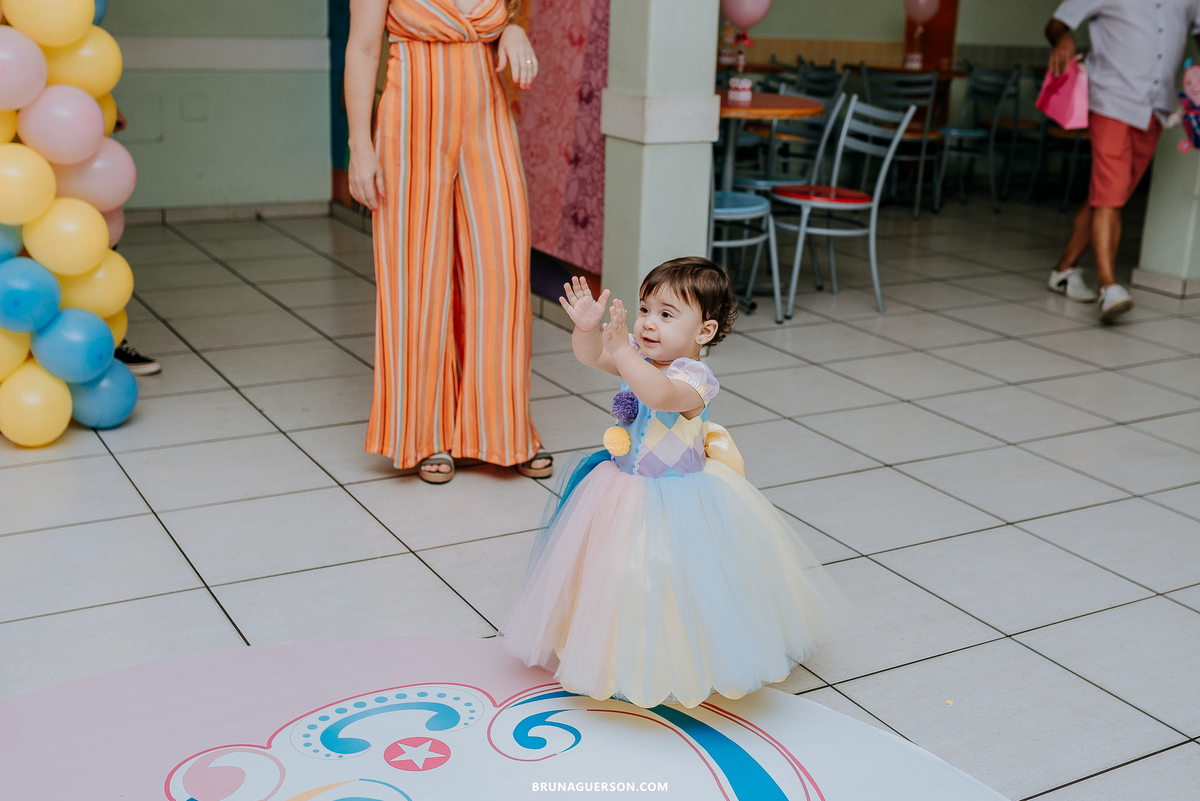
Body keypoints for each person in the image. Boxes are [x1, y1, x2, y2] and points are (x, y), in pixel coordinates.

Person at [501, 259, 844, 708]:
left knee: (674, 582)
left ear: (703, 332)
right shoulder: (640, 358)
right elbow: (592, 356)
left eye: (666, 315)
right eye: (645, 309)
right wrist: (588, 330)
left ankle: (682, 660)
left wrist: (625, 352)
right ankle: (613, 655)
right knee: (617, 579)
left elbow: (658, 395)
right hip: (622, 491)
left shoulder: (694, 378)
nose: (647, 324)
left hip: (679, 499)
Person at [345, 0, 550, 484]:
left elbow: (510, 14)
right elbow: (364, 46)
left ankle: (504, 429)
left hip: (487, 119)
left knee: (502, 271)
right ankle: (425, 432)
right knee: (416, 274)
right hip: (409, 117)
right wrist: (360, 145)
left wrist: (512, 32)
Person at [1045, 0, 1200, 322]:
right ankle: (1109, 288)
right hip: (1111, 100)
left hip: (1156, 107)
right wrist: (1063, 38)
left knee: (1109, 194)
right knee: (1111, 194)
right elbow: (1057, 23)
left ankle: (1063, 270)